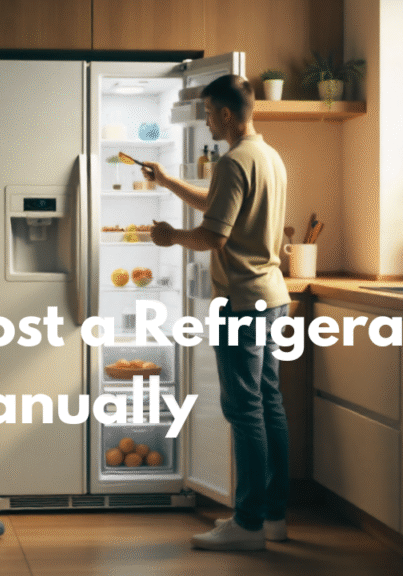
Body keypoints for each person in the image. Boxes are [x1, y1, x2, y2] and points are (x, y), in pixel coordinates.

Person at [142, 74, 291, 552]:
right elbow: (217, 207)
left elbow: (213, 236)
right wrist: (166, 181)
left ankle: (245, 524)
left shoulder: (231, 161)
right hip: (274, 298)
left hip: (243, 302)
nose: (207, 121)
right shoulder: (268, 156)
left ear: (227, 115)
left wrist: (171, 237)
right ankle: (272, 517)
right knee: (270, 407)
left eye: (208, 113)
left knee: (243, 410)